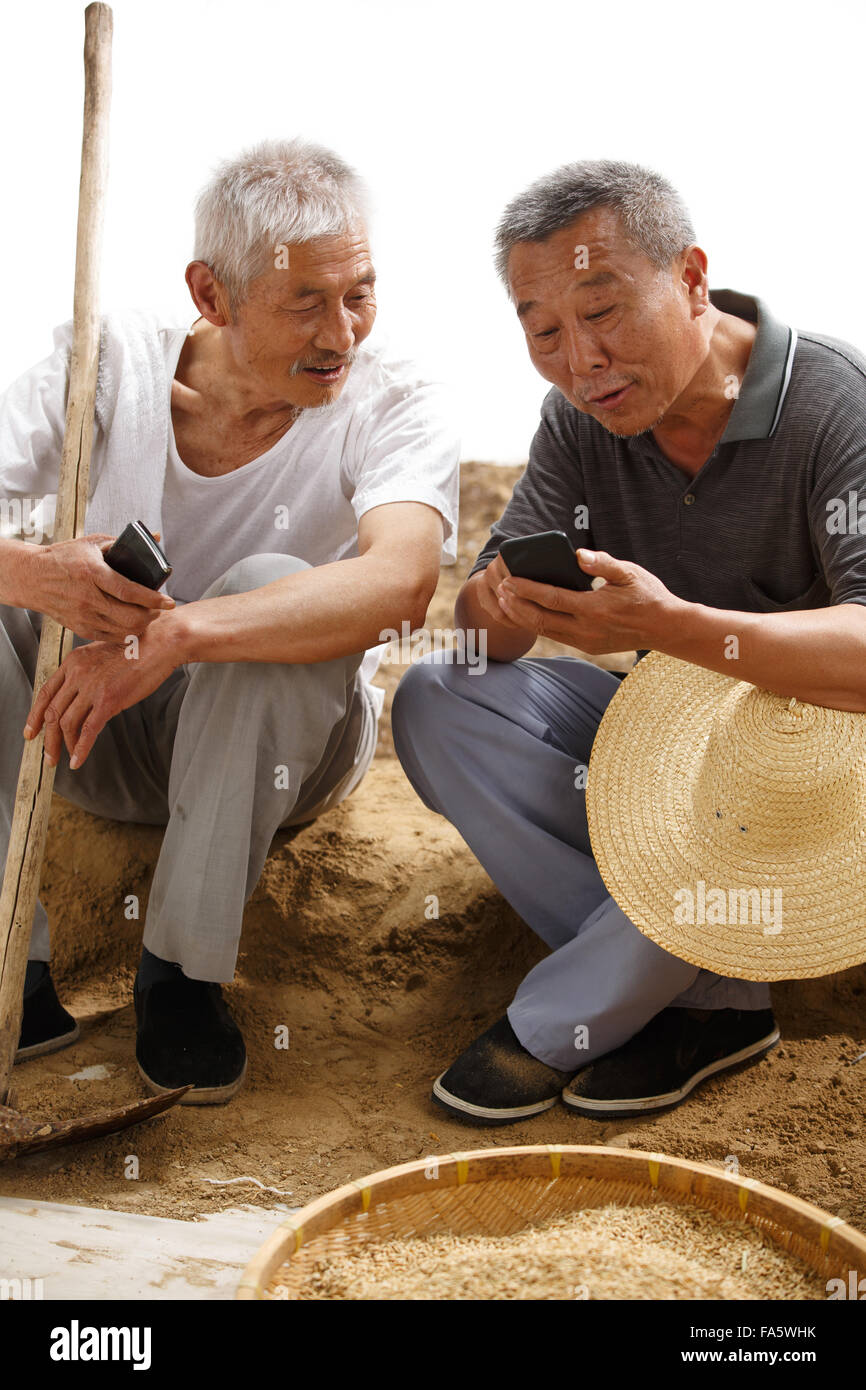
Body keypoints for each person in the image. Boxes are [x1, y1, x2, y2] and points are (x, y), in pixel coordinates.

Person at [392, 159, 866, 1125]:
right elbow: (481, 642)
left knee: (733, 799)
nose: (581, 361)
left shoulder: (836, 403)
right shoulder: (577, 420)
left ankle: (561, 1018)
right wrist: (509, 600)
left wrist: (673, 630)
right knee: (438, 698)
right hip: (673, 748)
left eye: (603, 312)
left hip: (820, 768)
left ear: (692, 278)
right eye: (544, 332)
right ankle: (708, 1002)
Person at [0, 138, 459, 1104]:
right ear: (210, 294)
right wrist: (37, 571)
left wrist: (180, 634)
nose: (342, 334)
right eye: (306, 303)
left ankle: (181, 974)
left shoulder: (397, 398)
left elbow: (403, 582)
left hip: (284, 748)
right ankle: (15, 971)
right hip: (94, 727)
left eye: (360, 294)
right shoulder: (108, 360)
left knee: (272, 585)